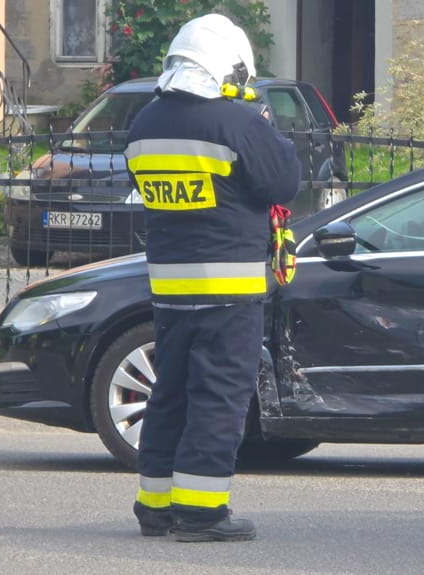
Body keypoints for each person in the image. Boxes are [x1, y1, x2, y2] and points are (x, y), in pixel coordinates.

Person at [123, 13, 301, 542]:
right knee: (219, 395)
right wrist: (262, 120)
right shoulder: (238, 122)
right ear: (228, 64)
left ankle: (155, 505)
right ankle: (201, 511)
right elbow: (284, 181)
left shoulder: (145, 124)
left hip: (170, 288)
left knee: (169, 393)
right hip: (229, 289)